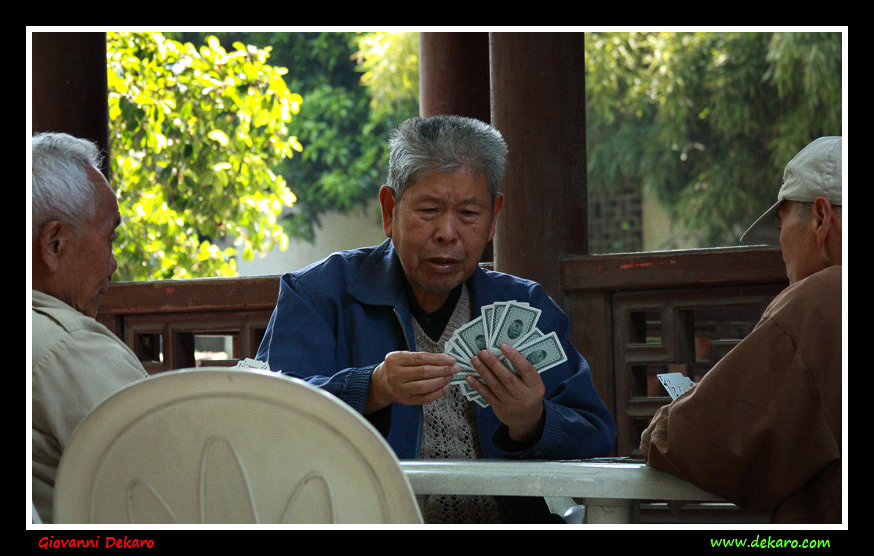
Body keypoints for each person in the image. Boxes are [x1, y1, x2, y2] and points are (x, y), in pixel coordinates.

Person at [257, 115, 617, 523]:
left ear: (494, 218)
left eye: (468, 213)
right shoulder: (320, 295)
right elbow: (267, 417)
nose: (447, 232)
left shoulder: (525, 306)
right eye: (429, 210)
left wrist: (531, 421)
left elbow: (597, 434)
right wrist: (372, 387)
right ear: (390, 209)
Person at [639, 136, 843, 523]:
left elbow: (688, 441)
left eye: (782, 226)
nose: (780, 250)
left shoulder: (824, 300)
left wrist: (665, 421)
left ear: (820, 218)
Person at [30, 132, 149, 523]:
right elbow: (168, 475)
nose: (113, 265)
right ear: (55, 245)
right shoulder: (67, 347)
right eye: (110, 238)